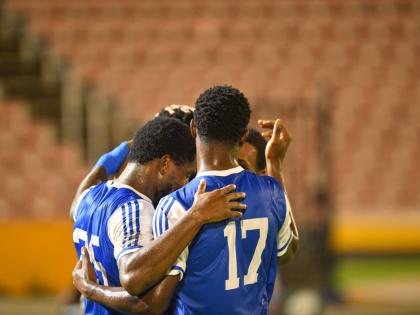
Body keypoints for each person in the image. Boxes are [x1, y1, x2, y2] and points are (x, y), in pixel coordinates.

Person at [71, 117, 246, 315]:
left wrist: (109, 159)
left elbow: (76, 202)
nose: (184, 185)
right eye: (186, 175)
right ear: (165, 164)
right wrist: (90, 289)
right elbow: (145, 305)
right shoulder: (135, 209)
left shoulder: (87, 199)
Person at [151, 85, 299, 314]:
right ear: (243, 135)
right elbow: (286, 251)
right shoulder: (271, 190)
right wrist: (275, 165)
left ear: (193, 128)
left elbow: (156, 298)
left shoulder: (176, 204)